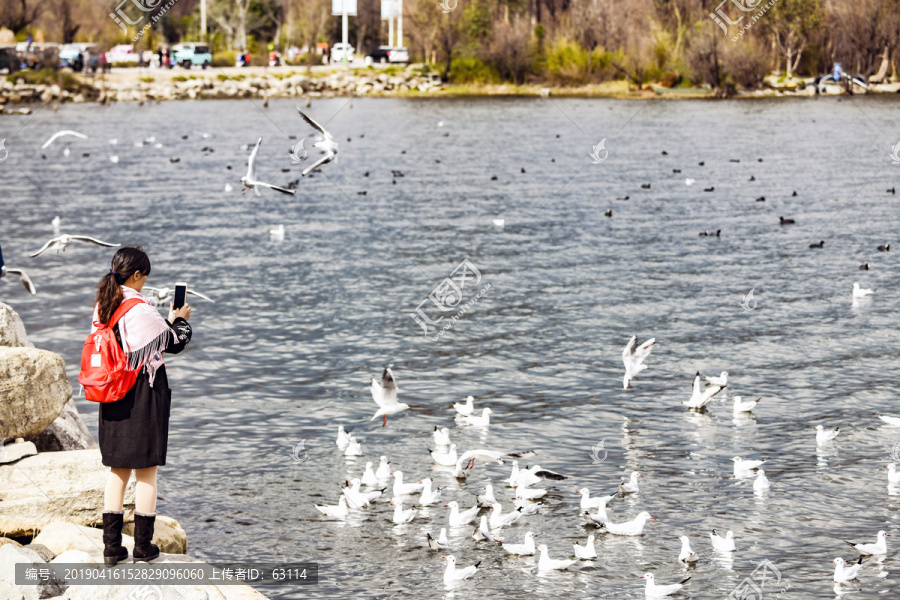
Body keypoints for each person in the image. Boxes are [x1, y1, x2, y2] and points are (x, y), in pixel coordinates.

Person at [95, 247, 193, 567]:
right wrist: (180, 321)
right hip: (142, 394)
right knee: (147, 471)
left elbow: (137, 339)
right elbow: (173, 341)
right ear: (136, 275)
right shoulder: (139, 307)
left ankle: (111, 547)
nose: (145, 281)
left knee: (118, 471)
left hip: (111, 392)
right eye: (144, 276)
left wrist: (165, 322)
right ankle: (143, 546)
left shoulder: (104, 305)